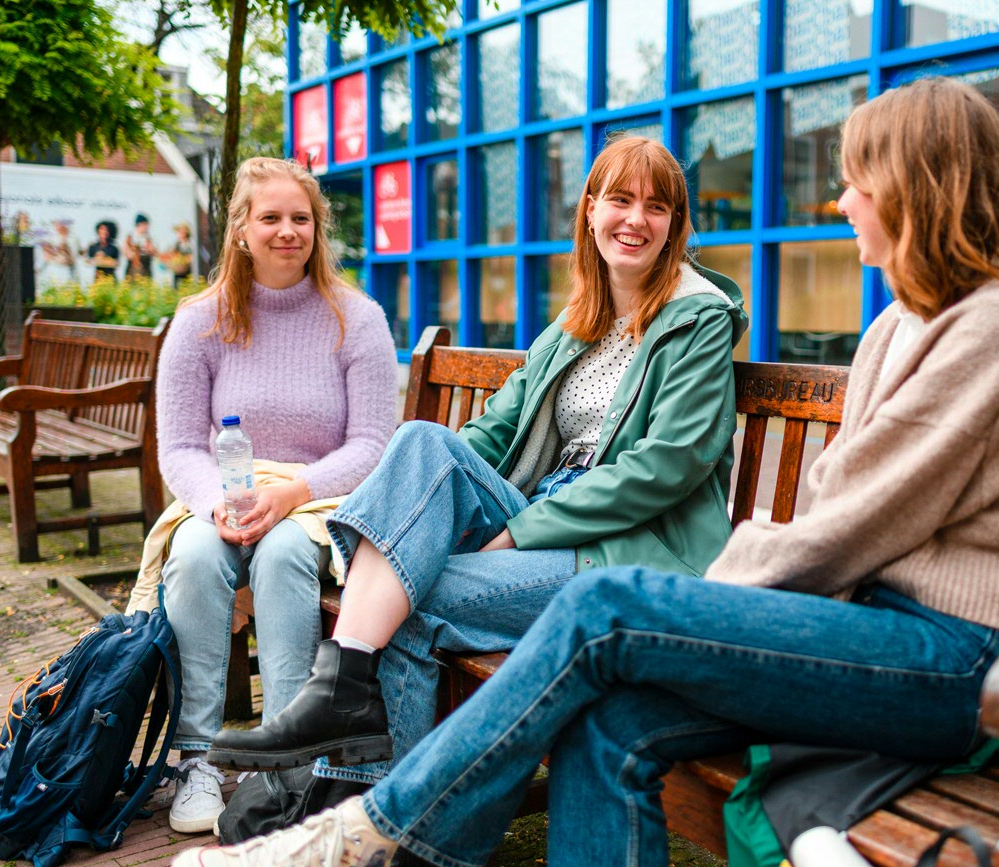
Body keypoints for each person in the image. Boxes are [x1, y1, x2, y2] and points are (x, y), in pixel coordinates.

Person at [173, 78, 999, 867]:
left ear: (916, 187)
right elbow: (840, 507)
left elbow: (849, 519)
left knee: (607, 606)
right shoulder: (906, 320)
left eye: (856, 181)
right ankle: (377, 816)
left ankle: (366, 838)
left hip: (961, 661)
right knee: (606, 718)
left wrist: (709, 593)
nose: (841, 201)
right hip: (869, 629)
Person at [203, 135, 747, 783]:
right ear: (591, 211)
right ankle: (346, 740)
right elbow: (492, 431)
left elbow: (669, 466)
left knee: (406, 598)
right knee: (423, 445)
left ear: (675, 226)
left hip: (627, 549)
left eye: (656, 207)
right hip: (548, 515)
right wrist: (426, 505)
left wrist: (520, 530)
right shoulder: (577, 323)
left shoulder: (698, 321)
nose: (635, 218)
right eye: (620, 199)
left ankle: (355, 806)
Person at [150, 157, 398, 835]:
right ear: (241, 230)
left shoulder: (358, 318)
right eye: (271, 218)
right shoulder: (201, 320)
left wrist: (293, 493)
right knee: (196, 556)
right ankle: (196, 757)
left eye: (301, 219)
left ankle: (282, 763)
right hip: (223, 495)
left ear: (318, 229)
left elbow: (375, 443)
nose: (288, 231)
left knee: (285, 551)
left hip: (318, 501)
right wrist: (216, 504)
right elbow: (178, 446)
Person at [38, 218, 79, 289]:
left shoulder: (73, 239)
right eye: (56, 224)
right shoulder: (50, 238)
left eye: (61, 224)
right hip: (52, 271)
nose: (59, 226)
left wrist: (65, 248)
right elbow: (46, 257)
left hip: (67, 272)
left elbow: (73, 259)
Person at [123, 212, 157, 279]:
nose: (147, 227)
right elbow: (127, 253)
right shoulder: (130, 237)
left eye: (147, 225)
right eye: (144, 224)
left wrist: (150, 250)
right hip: (132, 269)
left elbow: (154, 253)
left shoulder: (149, 238)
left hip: (146, 269)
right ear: (138, 225)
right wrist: (135, 252)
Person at [163, 221, 195, 287]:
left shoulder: (190, 244)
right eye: (179, 232)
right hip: (178, 271)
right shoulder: (176, 244)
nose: (180, 234)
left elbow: (192, 256)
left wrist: (188, 259)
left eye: (182, 232)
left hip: (187, 271)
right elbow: (170, 254)